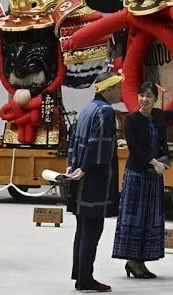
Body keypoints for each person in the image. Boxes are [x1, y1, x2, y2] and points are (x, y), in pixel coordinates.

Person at [112, 81, 173, 278]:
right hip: (137, 174)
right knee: (135, 218)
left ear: (155, 99)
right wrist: (153, 162)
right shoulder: (131, 120)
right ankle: (131, 260)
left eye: (149, 96)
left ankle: (141, 262)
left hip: (154, 177)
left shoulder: (158, 116)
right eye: (141, 95)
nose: (144, 99)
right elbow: (134, 148)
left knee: (150, 219)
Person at [66, 72, 123, 293]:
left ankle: (80, 276)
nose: (120, 91)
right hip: (95, 179)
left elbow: (75, 141)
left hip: (79, 177)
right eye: (117, 87)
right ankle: (86, 278)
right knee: (92, 229)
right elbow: (97, 145)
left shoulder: (87, 109)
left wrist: (73, 165)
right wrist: (85, 168)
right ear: (107, 90)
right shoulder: (105, 112)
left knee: (82, 229)